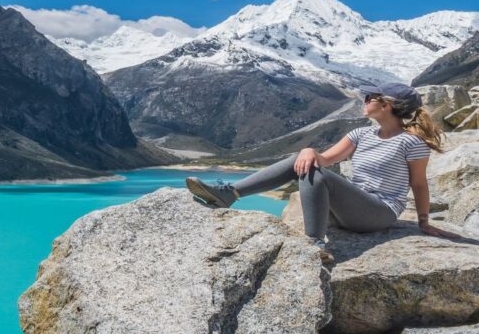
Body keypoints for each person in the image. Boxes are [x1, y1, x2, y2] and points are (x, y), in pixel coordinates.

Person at [185, 82, 449, 262]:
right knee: (302, 159)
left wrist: (423, 222)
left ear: (387, 105)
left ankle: (315, 242)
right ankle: (230, 194)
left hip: (379, 213)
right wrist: (310, 150)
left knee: (315, 173)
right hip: (351, 208)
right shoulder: (360, 134)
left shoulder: (410, 143)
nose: (365, 100)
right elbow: (325, 159)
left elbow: (419, 184)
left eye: (370, 97)